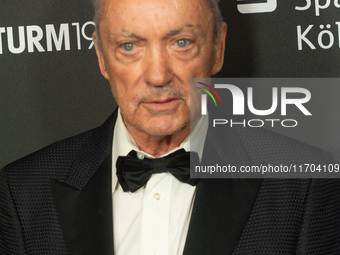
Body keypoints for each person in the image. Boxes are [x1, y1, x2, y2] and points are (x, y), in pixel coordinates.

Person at [1, 0, 339, 254]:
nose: (158, 75)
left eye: (181, 43)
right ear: (102, 57)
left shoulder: (303, 185)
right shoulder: (23, 194)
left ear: (218, 48)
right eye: (129, 46)